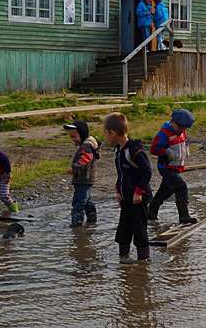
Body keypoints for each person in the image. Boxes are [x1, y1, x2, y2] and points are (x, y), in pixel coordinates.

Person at [103, 112, 153, 264]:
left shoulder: (134, 150)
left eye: (106, 134)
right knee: (123, 229)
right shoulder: (118, 150)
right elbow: (121, 174)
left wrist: (138, 192)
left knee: (139, 229)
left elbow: (147, 171)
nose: (105, 137)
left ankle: (143, 261)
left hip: (139, 198)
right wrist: (118, 190)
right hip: (126, 197)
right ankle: (123, 258)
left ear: (113, 133)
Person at [147, 108, 197, 225]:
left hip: (177, 167)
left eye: (184, 128)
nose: (182, 130)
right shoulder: (164, 133)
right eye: (180, 127)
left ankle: (151, 211)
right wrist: (166, 152)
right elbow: (153, 149)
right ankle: (184, 216)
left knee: (166, 191)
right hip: (166, 168)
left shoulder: (182, 131)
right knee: (181, 187)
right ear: (173, 122)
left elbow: (183, 142)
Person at [65, 119, 100, 228]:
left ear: (82, 134)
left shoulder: (86, 147)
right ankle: (92, 217)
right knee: (86, 200)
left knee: (78, 203)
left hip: (84, 179)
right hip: (85, 179)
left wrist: (75, 168)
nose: (73, 140)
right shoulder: (86, 146)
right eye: (71, 137)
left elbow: (85, 159)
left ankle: (76, 223)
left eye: (74, 137)